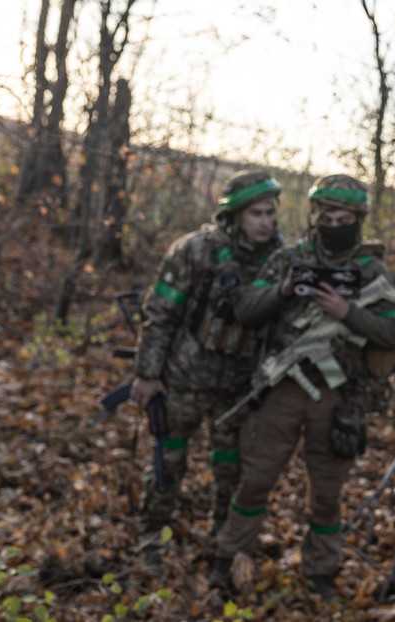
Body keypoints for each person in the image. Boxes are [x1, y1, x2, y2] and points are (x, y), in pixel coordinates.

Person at [211, 173, 395, 598]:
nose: (335, 225)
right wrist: (282, 291)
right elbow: (245, 310)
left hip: (338, 399)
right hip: (281, 389)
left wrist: (346, 312)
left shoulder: (372, 271)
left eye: (345, 217)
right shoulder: (287, 260)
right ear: (315, 217)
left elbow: (392, 333)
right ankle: (228, 560)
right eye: (328, 216)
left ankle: (320, 574)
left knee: (327, 493)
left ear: (358, 219)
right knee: (256, 479)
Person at [130, 170, 286, 549]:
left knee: (232, 472)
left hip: (238, 389)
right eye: (255, 214)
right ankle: (151, 540)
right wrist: (148, 374)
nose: (265, 222)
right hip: (183, 379)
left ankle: (224, 545)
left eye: (269, 213)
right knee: (169, 463)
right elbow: (161, 313)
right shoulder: (195, 250)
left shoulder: (281, 261)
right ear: (234, 215)